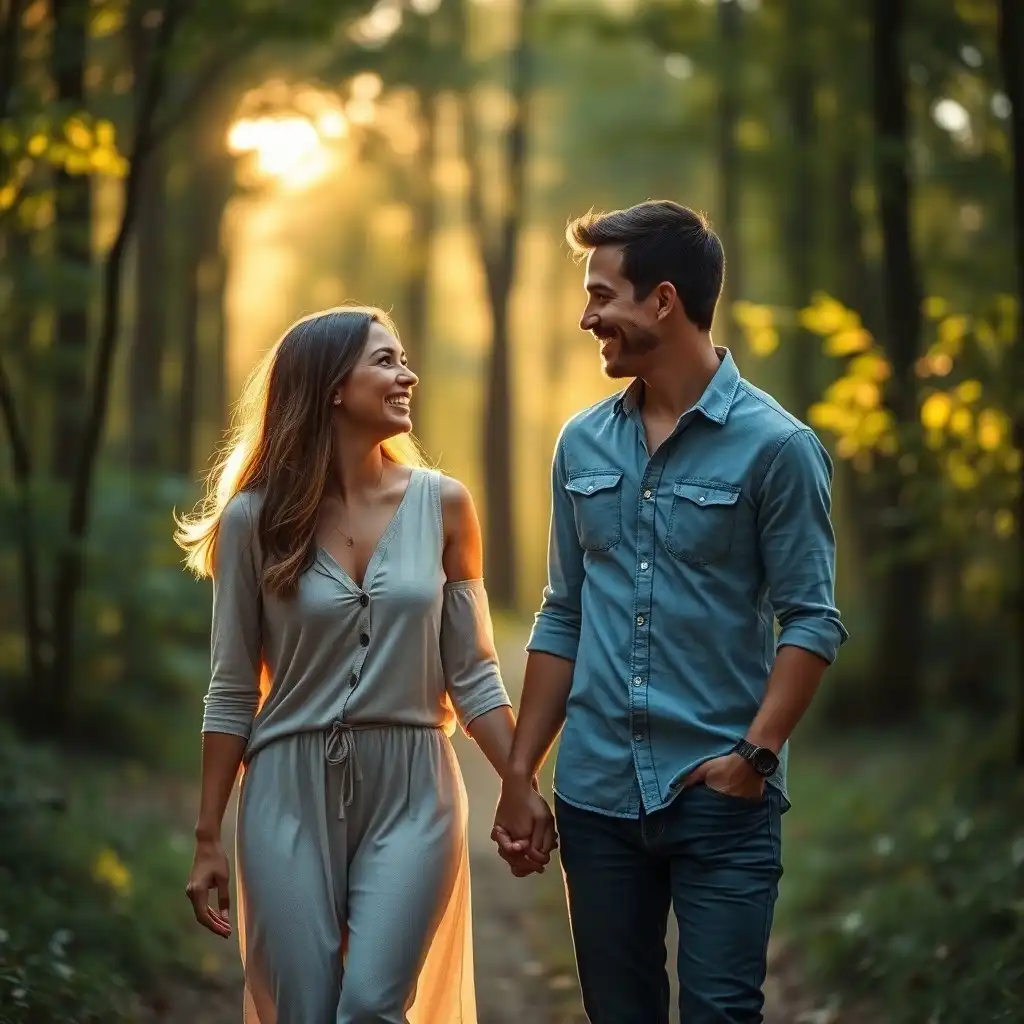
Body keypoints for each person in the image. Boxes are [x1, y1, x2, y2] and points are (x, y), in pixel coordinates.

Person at [492, 201, 848, 1023]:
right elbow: (562, 615)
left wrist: (753, 760)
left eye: (601, 296)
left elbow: (812, 620)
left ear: (661, 299)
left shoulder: (778, 448)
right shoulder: (580, 445)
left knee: (722, 1013)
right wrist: (520, 774)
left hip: (721, 797)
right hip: (596, 798)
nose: (588, 319)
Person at [174, 305, 516, 1024]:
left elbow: (475, 672)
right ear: (332, 386)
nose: (407, 375)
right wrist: (208, 836)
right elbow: (232, 689)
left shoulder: (446, 506)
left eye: (404, 358)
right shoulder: (253, 521)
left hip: (415, 787)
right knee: (305, 1009)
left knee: (369, 1007)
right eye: (385, 361)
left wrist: (520, 783)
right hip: (286, 791)